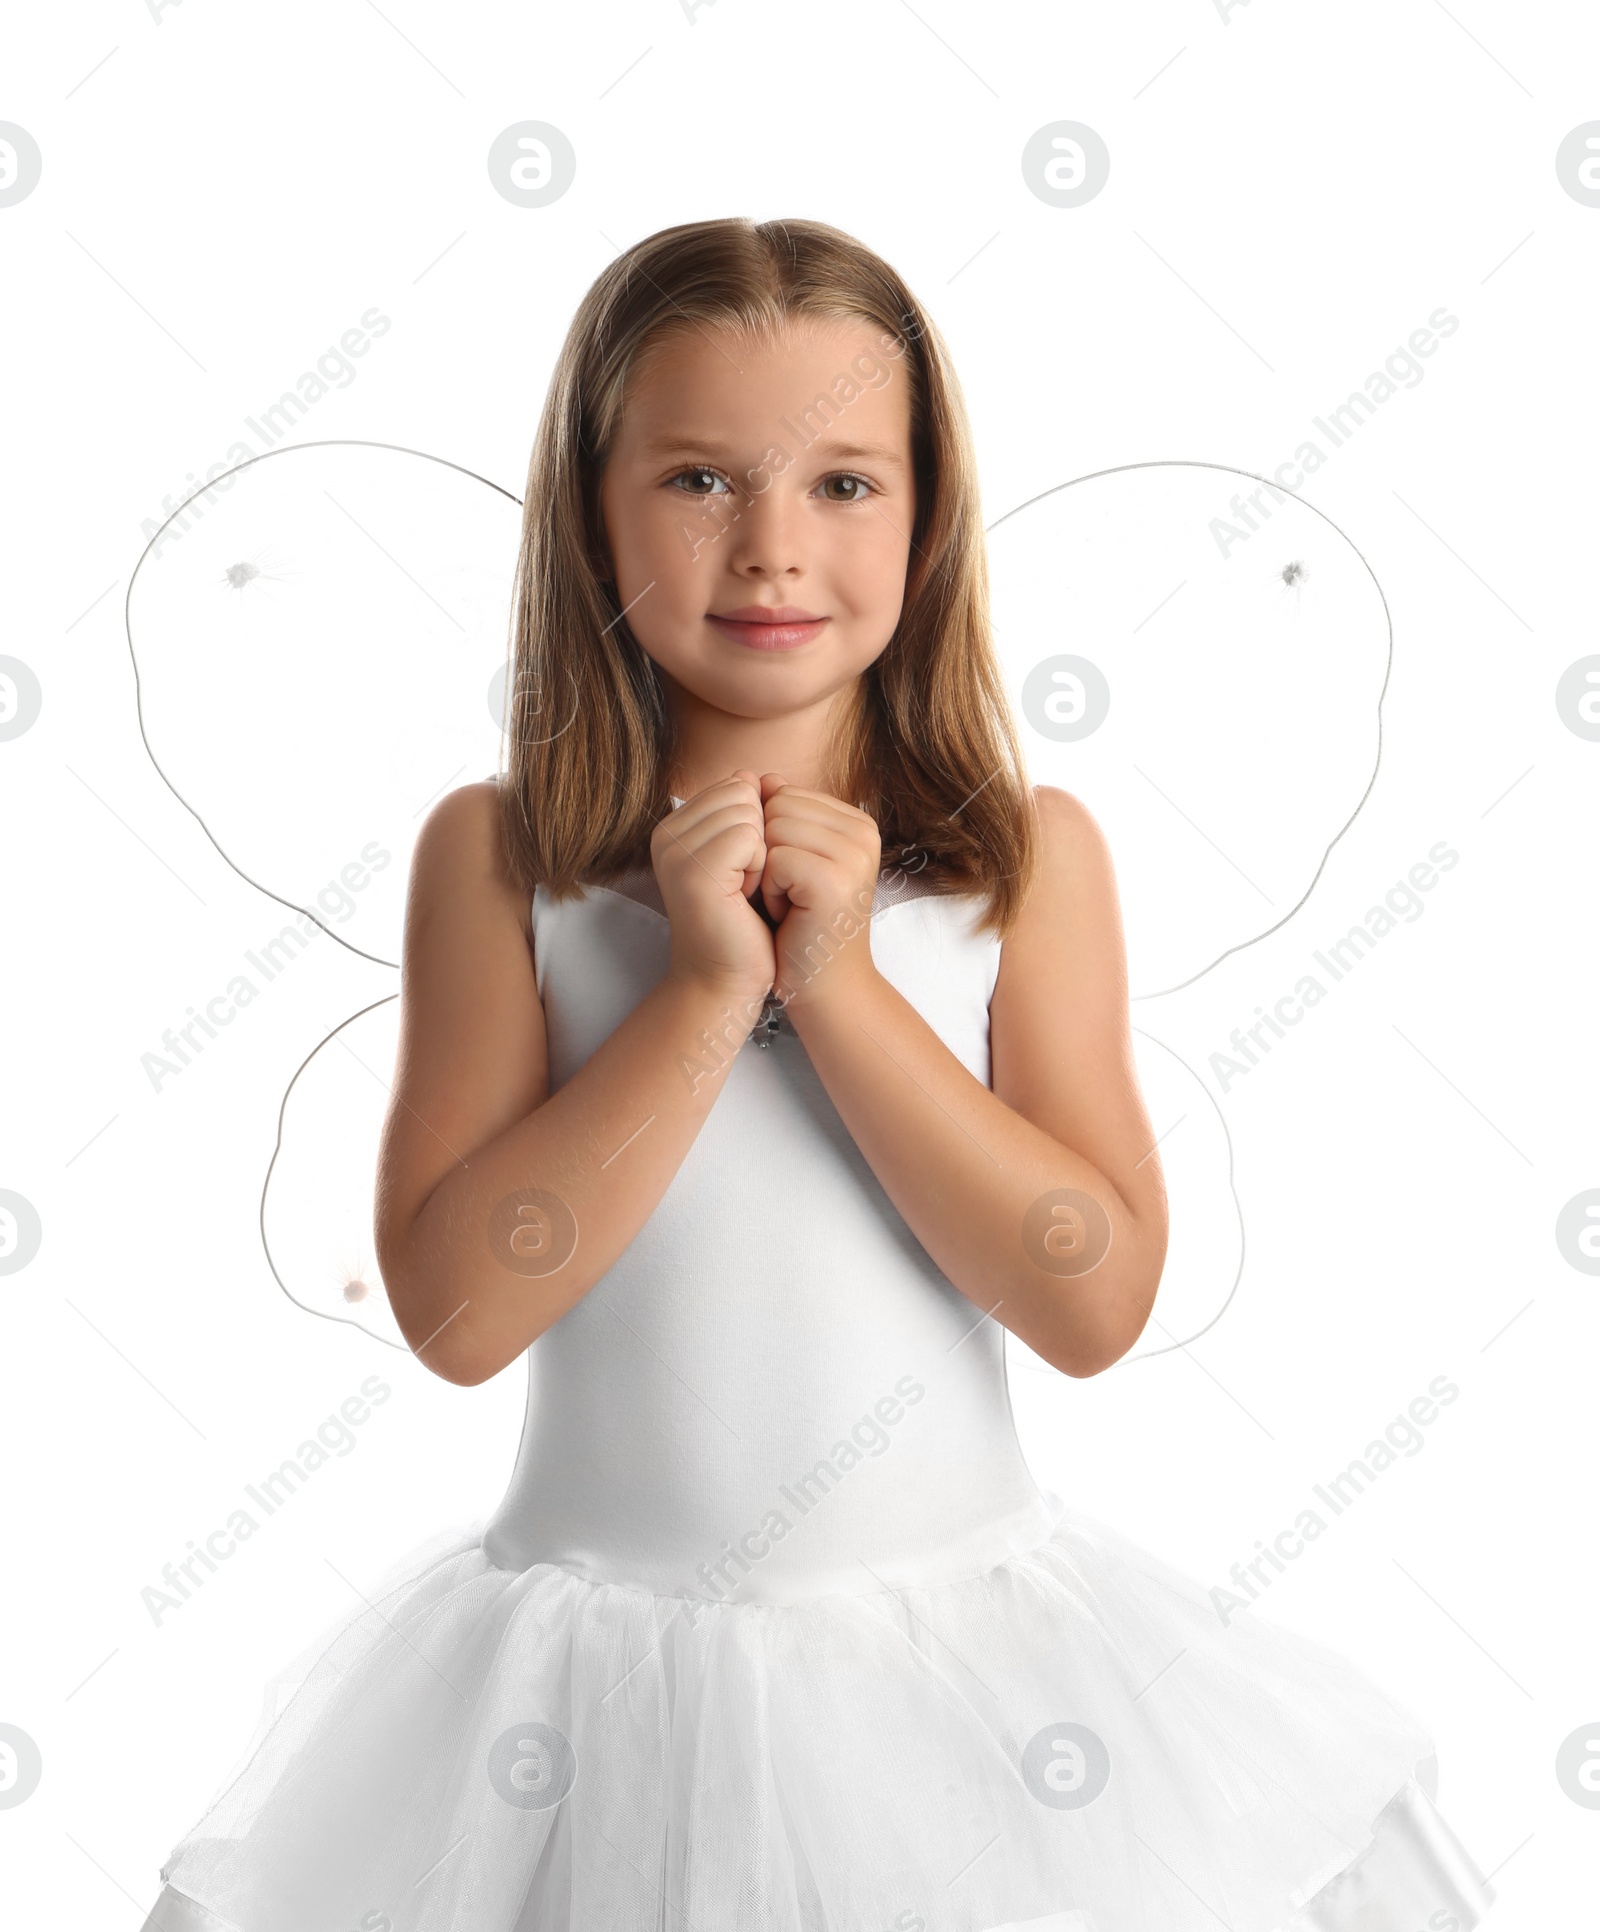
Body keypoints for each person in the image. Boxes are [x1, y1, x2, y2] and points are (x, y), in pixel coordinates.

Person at [141, 215, 1495, 1932]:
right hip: (574, 1717)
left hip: (966, 1708)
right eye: (700, 479)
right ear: (590, 510)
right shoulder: (502, 862)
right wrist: (705, 992)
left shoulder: (1026, 861)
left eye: (846, 484)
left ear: (928, 522)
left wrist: (838, 982)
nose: (773, 548)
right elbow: (464, 1316)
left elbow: (1090, 1304)